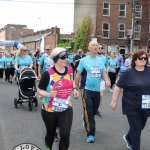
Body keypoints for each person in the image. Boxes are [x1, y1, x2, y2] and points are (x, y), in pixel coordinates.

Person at [37, 47, 78, 150]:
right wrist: (49, 94)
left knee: (65, 135)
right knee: (50, 134)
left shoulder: (69, 70)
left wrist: (74, 89)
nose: (66, 59)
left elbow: (71, 80)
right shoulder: (48, 74)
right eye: (63, 57)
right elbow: (39, 90)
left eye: (67, 57)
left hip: (66, 107)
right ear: (56, 59)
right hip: (50, 109)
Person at [110, 50, 150, 150]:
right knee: (136, 129)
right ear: (135, 59)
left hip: (145, 104)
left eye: (145, 58)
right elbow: (118, 87)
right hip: (131, 105)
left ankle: (128, 137)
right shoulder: (128, 72)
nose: (143, 60)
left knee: (140, 126)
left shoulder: (149, 71)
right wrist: (114, 101)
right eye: (141, 58)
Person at [74, 41, 110, 143]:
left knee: (94, 111)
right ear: (89, 48)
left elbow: (103, 72)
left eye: (96, 45)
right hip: (86, 89)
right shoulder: (84, 61)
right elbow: (78, 74)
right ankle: (90, 134)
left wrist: (107, 80)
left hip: (96, 90)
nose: (95, 47)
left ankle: (86, 120)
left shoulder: (101, 60)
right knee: (89, 112)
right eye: (93, 45)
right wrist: (75, 88)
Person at [95, 44, 109, 118]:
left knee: (100, 95)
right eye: (99, 47)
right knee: (93, 95)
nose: (100, 49)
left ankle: (97, 110)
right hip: (93, 79)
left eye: (101, 48)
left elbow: (107, 65)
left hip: (102, 79)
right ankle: (92, 108)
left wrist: (107, 70)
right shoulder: (93, 57)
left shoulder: (105, 58)